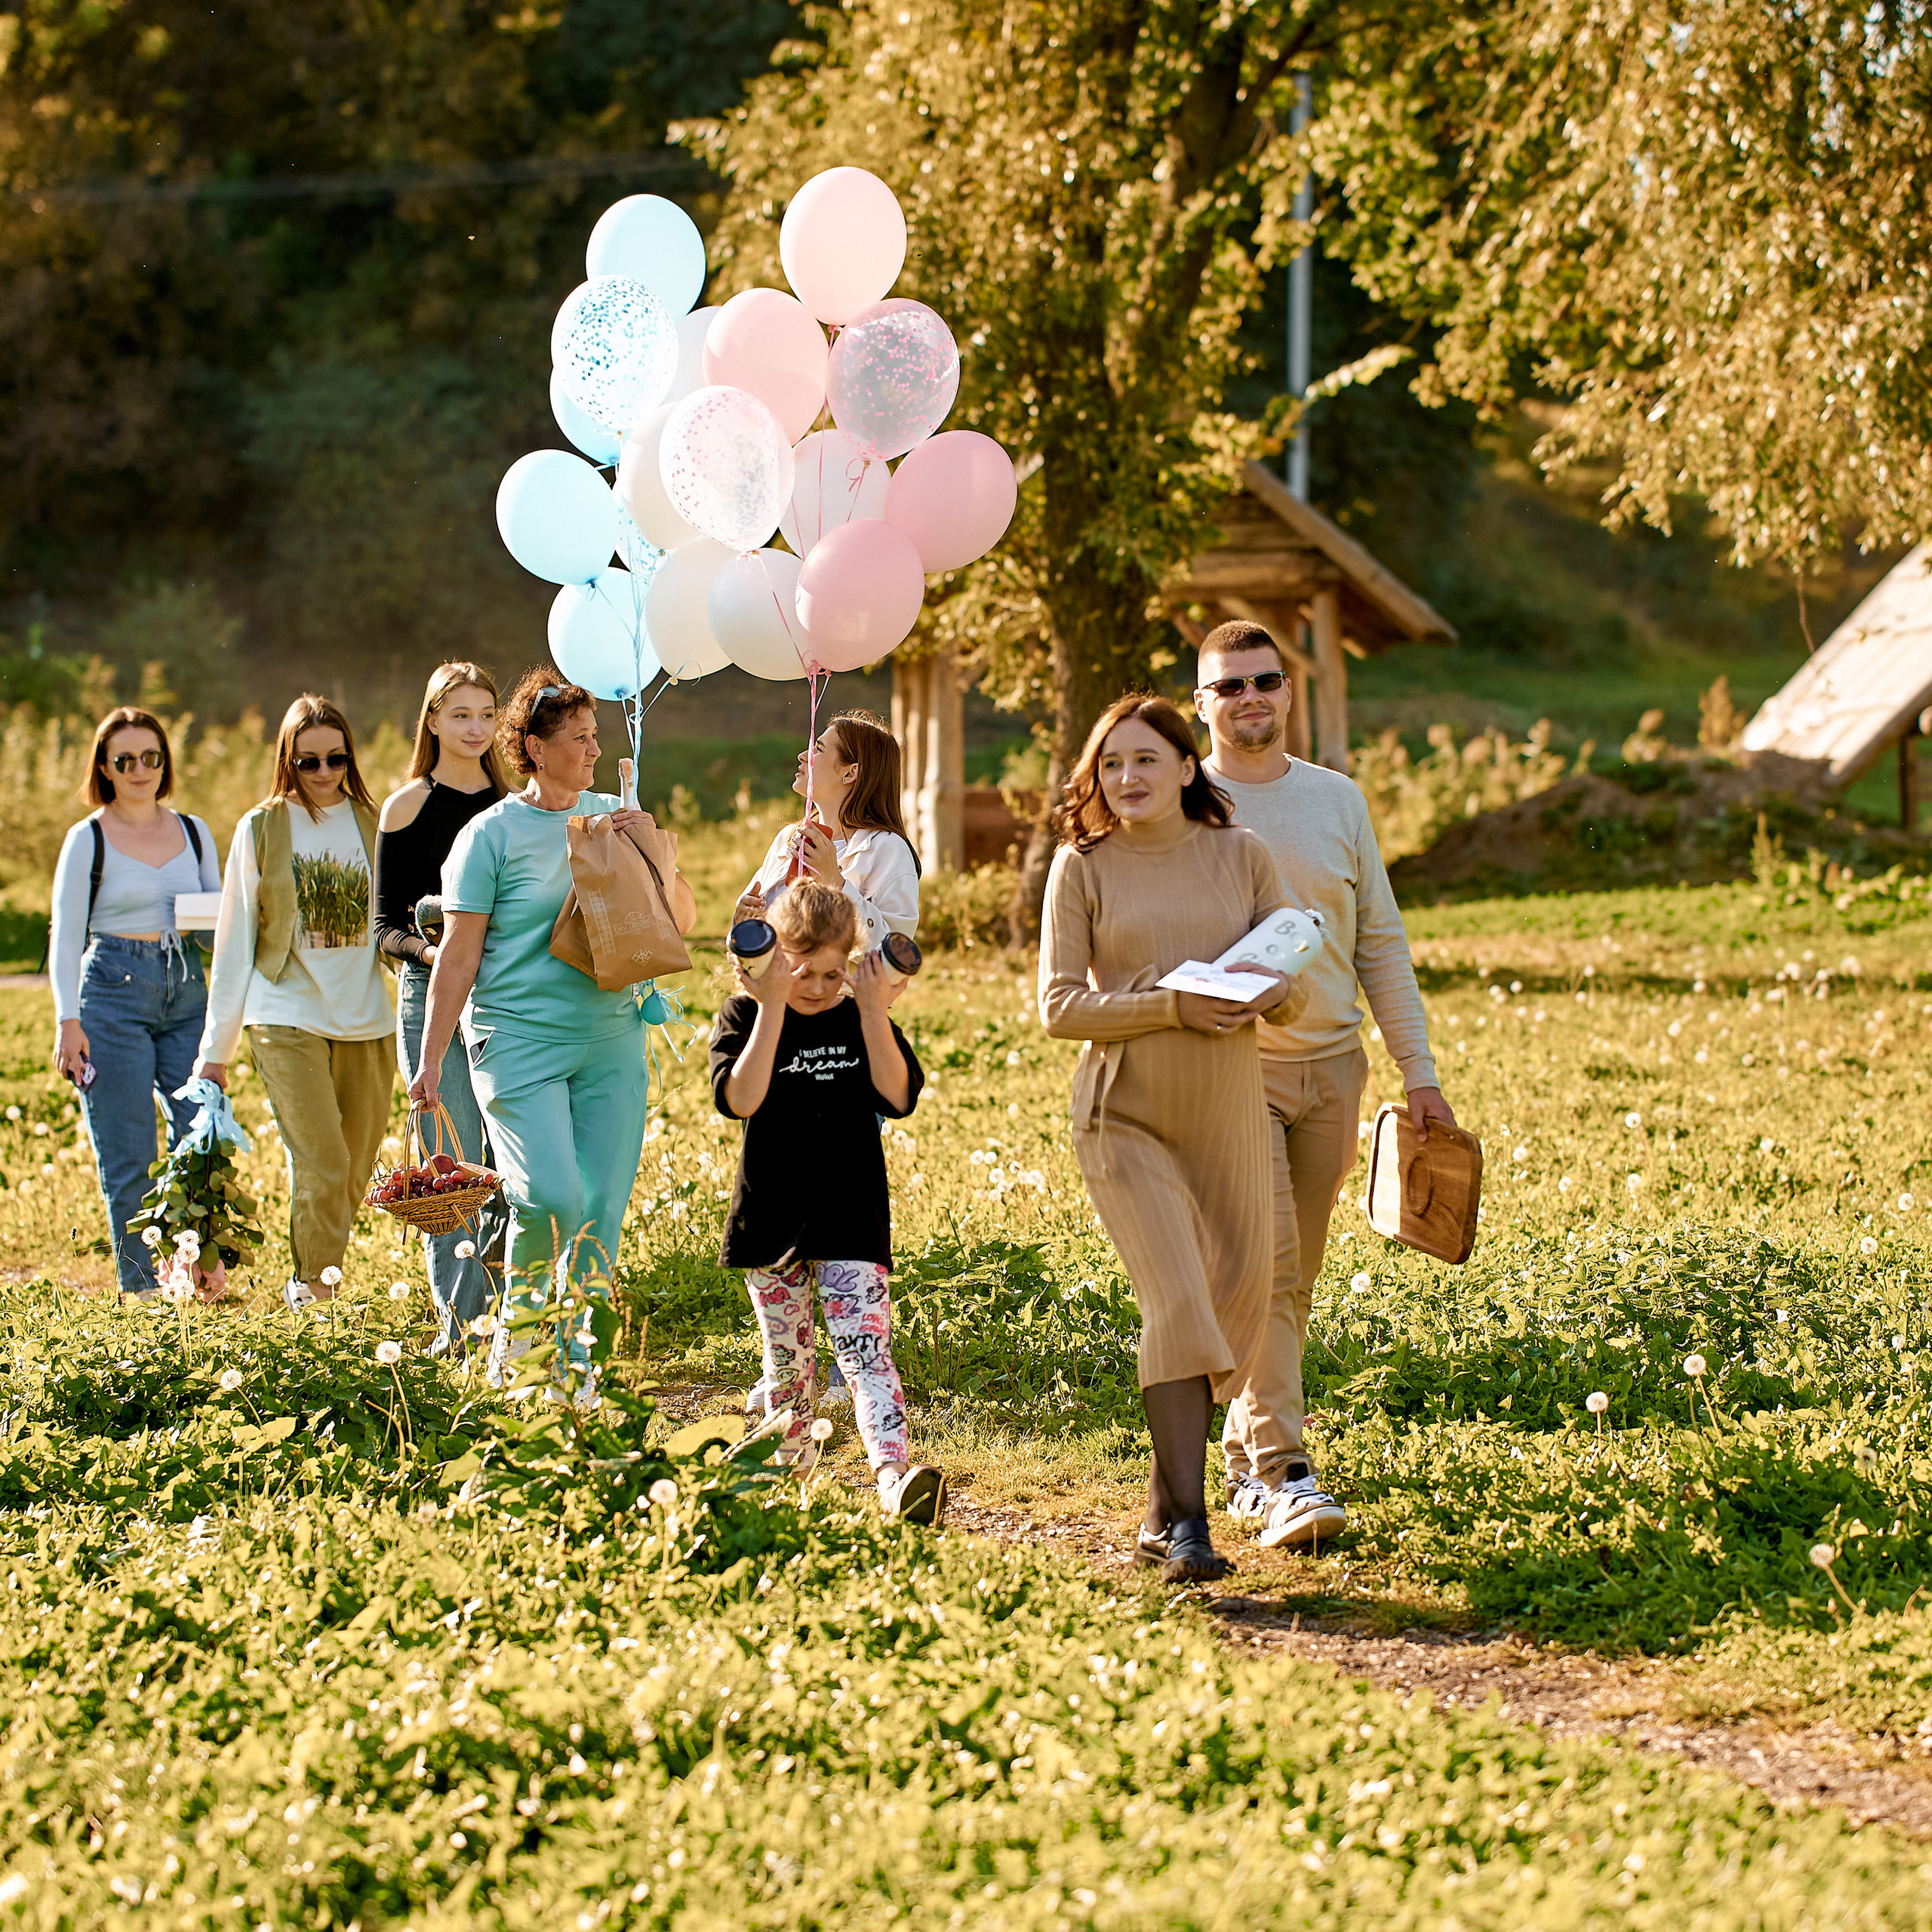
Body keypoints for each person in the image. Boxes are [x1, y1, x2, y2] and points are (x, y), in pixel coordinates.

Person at [1193, 618, 1457, 1549]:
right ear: (1202, 704)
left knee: (1291, 1278)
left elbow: (1379, 940)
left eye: (1264, 680)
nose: (1250, 697)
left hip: (1333, 1070)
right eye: (1229, 686)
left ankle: (1240, 1459)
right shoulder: (1185, 803)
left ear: (1287, 692)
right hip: (1231, 1072)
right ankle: (1286, 1471)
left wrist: (1416, 1072)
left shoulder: (1337, 801)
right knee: (1264, 1265)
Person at [1038, 694, 1306, 1583]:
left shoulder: (1243, 854)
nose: (1125, 778)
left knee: (1233, 1306)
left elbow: (1295, 976)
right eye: (1110, 763)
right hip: (1125, 1118)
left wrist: (1268, 994)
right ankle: (1190, 1527)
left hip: (1226, 1115)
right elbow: (1058, 1007)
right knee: (1180, 1308)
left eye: (1146, 760)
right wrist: (1169, 1004)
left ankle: (1160, 1510)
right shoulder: (1083, 869)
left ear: (1189, 768)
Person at [408, 669, 695, 1395]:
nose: (595, 750)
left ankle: (578, 1357)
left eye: (597, 736)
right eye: (579, 738)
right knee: (550, 1196)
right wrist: (430, 1059)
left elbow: (680, 923)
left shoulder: (615, 814)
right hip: (517, 1042)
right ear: (533, 749)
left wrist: (654, 848)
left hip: (610, 1038)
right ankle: (522, 1337)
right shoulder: (488, 837)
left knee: (600, 1203)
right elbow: (459, 954)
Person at [710, 879, 943, 1522]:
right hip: (771, 1218)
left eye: (834, 974)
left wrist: (872, 1011)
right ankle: (791, 1480)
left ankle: (895, 1478)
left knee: (867, 1357)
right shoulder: (744, 1017)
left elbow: (898, 1098)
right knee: (788, 1366)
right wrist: (772, 1007)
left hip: (850, 1218)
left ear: (854, 964)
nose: (817, 986)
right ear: (773, 959)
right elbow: (742, 1099)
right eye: (802, 972)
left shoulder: (860, 1016)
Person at [195, 695, 392, 1312]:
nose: (325, 771)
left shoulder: (374, 821)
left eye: (337, 758)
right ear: (288, 760)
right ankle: (312, 1290)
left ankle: (316, 1275)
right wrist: (215, 1053)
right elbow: (234, 945)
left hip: (367, 1017)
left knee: (353, 1170)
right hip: (284, 1012)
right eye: (309, 761)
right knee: (325, 1159)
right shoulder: (261, 827)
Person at [49, 707, 221, 1297]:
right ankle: (146, 1292)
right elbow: (66, 934)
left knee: (197, 1140)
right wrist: (66, 1020)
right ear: (105, 766)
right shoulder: (87, 838)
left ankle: (197, 1273)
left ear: (164, 761)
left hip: (187, 990)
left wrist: (212, 918)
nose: (141, 769)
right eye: (126, 760)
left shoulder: (194, 831)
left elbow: (217, 928)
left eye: (152, 757)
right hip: (111, 995)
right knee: (129, 1154)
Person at [374, 663, 512, 1356]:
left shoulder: (512, 806)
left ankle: (505, 1318)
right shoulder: (404, 808)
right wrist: (437, 958)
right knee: (446, 1166)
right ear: (432, 720)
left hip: (504, 1001)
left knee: (505, 1158)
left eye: (486, 714)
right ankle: (459, 1328)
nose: (475, 728)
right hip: (426, 997)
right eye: (460, 715)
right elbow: (383, 926)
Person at [734, 709, 919, 952]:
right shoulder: (788, 839)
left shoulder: (887, 849)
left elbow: (893, 953)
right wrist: (743, 920)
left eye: (818, 750)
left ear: (850, 772)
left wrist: (836, 882)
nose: (802, 756)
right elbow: (745, 944)